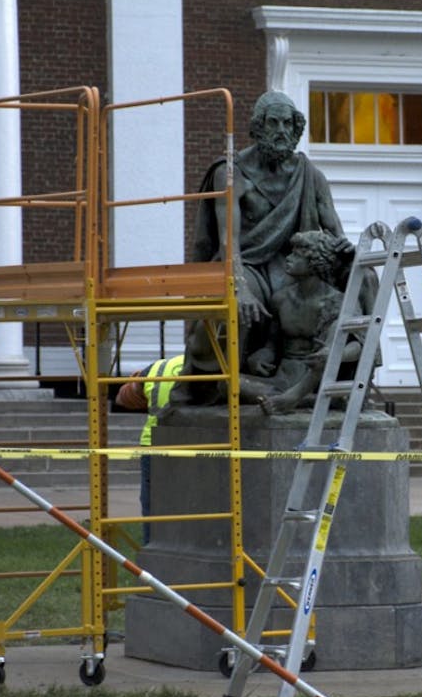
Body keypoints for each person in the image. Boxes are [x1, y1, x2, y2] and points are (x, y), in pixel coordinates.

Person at [176, 90, 375, 405]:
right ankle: (220, 385)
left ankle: (353, 378)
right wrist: (240, 286)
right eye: (273, 123)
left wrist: (351, 259)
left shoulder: (310, 175)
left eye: (287, 124)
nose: (281, 131)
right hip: (246, 264)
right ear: (258, 128)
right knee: (241, 302)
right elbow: (228, 241)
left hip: (293, 262)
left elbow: (335, 232)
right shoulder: (230, 173)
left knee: (364, 278)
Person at [239, 230, 361, 415]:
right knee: (228, 384)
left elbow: (360, 345)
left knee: (331, 342)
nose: (288, 258)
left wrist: (336, 354)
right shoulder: (280, 299)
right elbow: (273, 345)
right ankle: (307, 401)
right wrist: (262, 356)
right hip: (282, 379)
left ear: (315, 261)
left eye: (296, 254)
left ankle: (295, 398)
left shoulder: (338, 302)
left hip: (317, 379)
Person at [116, 354, 185, 544]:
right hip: (191, 443)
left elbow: (123, 398)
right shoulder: (210, 368)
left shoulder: (158, 367)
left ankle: (151, 548)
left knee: (152, 505)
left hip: (152, 443)